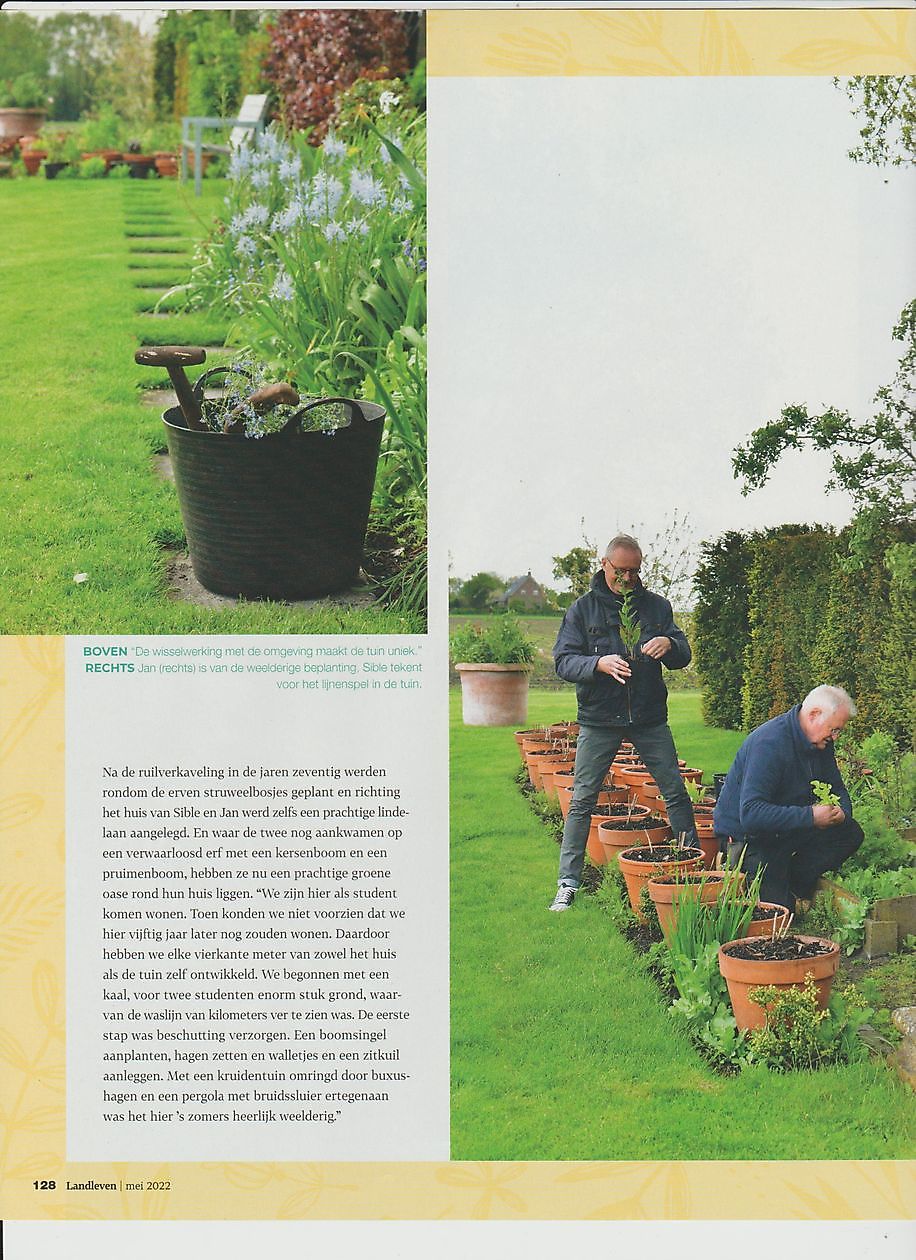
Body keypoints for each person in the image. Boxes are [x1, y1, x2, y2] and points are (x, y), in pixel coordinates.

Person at [548, 534, 697, 911]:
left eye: (634, 571)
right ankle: (568, 883)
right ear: (604, 564)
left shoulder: (656, 608)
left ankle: (693, 868)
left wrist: (669, 643)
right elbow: (564, 661)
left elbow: (683, 654)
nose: (628, 578)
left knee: (676, 793)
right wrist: (596, 664)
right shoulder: (582, 611)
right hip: (600, 719)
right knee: (582, 800)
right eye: (621, 571)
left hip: (648, 718)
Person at [713, 684, 864, 913]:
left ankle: (793, 878)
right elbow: (751, 814)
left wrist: (842, 812)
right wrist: (811, 816)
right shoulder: (770, 744)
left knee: (851, 832)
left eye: (839, 731)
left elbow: (839, 789)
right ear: (814, 715)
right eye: (834, 729)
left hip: (785, 829)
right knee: (781, 912)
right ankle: (780, 885)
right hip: (749, 837)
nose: (836, 736)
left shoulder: (821, 743)